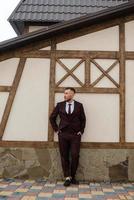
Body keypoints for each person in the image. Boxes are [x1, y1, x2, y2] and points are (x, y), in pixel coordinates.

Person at [49, 87, 86, 186]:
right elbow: (52, 118)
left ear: (72, 94)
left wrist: (81, 131)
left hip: (75, 135)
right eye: (64, 93)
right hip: (63, 134)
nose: (64, 95)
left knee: (75, 155)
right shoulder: (59, 105)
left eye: (66, 93)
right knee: (64, 156)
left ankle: (73, 177)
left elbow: (83, 119)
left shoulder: (79, 105)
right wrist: (57, 130)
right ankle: (67, 177)